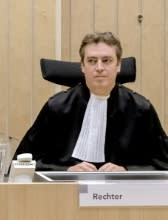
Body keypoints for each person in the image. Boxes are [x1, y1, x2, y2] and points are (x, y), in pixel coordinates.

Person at [14, 31, 168, 171]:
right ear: (82, 66)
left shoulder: (140, 108)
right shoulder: (57, 107)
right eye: (92, 61)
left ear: (118, 65)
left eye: (106, 60)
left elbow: (164, 163)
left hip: (124, 196)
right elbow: (21, 164)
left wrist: (126, 170)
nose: (99, 67)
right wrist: (66, 171)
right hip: (65, 195)